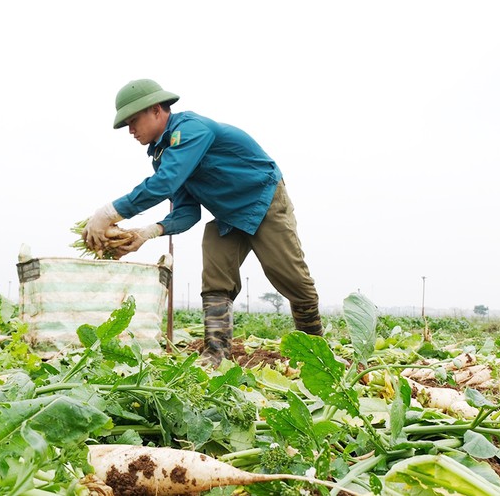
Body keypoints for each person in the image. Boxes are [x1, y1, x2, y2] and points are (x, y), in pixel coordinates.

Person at [84, 79, 322, 366]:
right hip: (227, 215)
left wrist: (109, 213)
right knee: (215, 273)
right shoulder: (163, 156)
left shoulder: (191, 130)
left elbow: (165, 183)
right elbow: (187, 212)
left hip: (262, 199)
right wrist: (147, 233)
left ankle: (316, 352)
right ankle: (216, 353)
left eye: (133, 121)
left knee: (290, 276)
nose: (131, 131)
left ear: (157, 111)